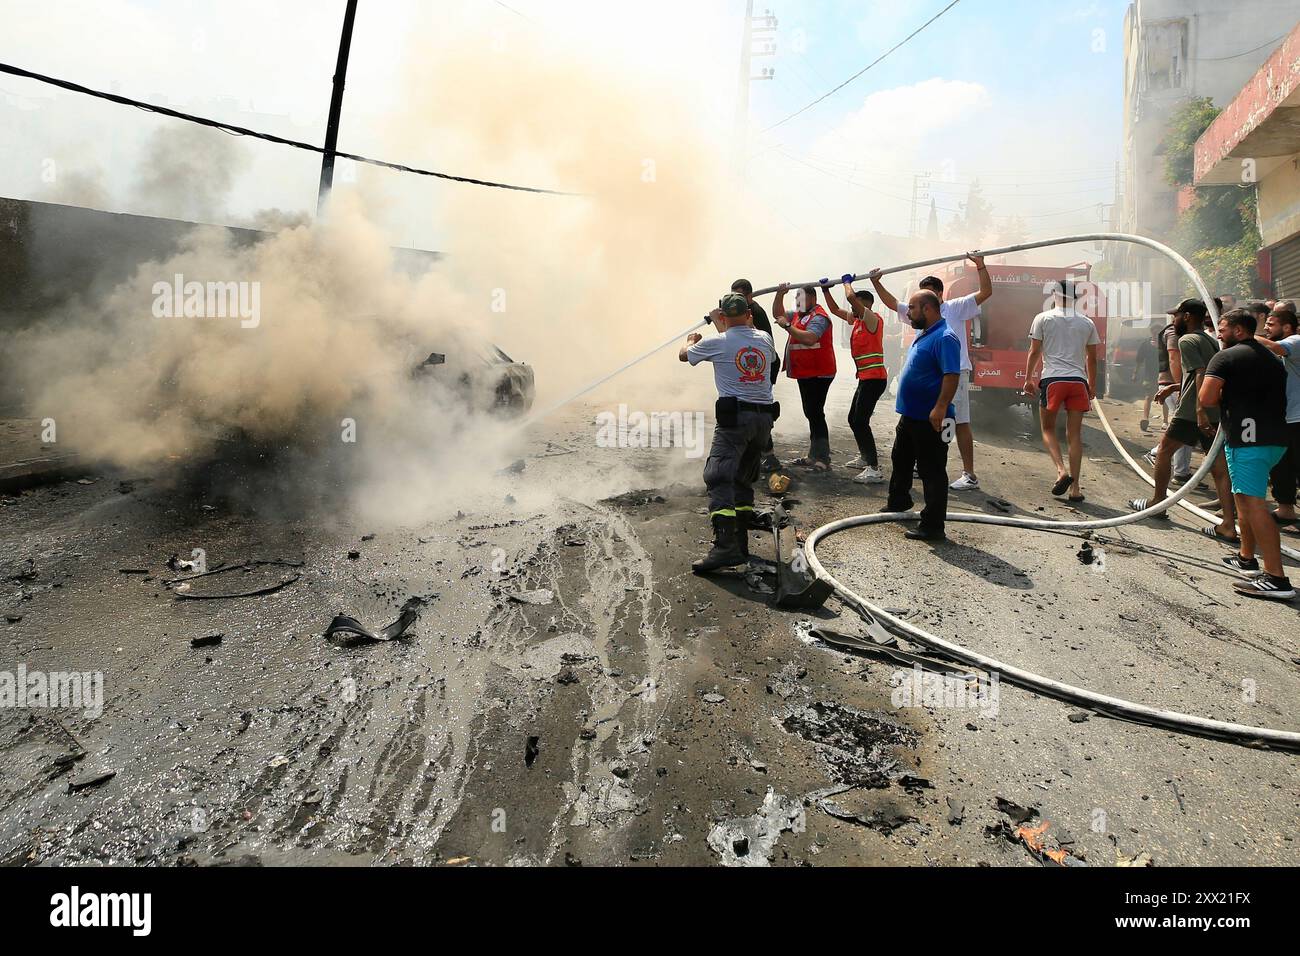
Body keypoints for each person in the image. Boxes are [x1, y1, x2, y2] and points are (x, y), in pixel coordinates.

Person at [869, 253, 992, 491]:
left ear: (938, 295)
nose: (921, 303)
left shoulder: (956, 308)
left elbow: (985, 293)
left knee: (959, 421)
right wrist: (876, 283)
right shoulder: (917, 313)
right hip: (927, 378)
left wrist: (981, 265)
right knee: (921, 422)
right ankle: (924, 464)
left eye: (929, 294)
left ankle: (968, 474)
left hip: (953, 373)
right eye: (920, 294)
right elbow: (893, 303)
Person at [1199, 309, 1295, 601]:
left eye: (1223, 328)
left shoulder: (1225, 357)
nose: (1218, 333)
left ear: (1239, 331)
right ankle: (1246, 558)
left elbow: (1206, 398)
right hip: (1275, 438)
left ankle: (1277, 578)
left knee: (1253, 505)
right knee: (1244, 497)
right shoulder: (1272, 358)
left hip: (1247, 441)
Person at [681, 293, 780, 574]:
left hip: (735, 420)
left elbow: (684, 356)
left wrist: (691, 341)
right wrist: (722, 323)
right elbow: (741, 342)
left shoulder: (717, 342)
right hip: (763, 422)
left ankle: (725, 548)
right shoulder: (764, 338)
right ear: (749, 314)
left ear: (723, 317)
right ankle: (741, 542)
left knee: (718, 475)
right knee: (742, 479)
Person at [1126, 300, 1238, 543]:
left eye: (1175, 316)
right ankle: (1229, 524)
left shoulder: (1186, 340)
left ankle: (1157, 503)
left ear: (1187, 316)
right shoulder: (1210, 340)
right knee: (1219, 468)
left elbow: (1200, 374)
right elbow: (1207, 374)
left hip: (1191, 412)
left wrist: (1199, 412)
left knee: (1164, 452)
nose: (1173, 320)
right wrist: (1176, 387)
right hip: (1214, 412)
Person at [883, 290, 961, 542]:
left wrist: (939, 408)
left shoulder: (946, 337)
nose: (908, 312)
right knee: (901, 458)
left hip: (934, 418)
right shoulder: (925, 333)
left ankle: (933, 525)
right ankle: (899, 502)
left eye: (913, 308)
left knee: (932, 470)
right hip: (911, 415)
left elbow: (952, 376)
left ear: (928, 309)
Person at [1023, 280, 1100, 503]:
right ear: (1075, 298)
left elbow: (1034, 351)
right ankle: (1075, 489)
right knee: (1074, 435)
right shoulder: (1087, 322)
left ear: (1055, 295)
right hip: (1078, 381)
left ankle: (1061, 471)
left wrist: (1028, 378)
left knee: (1047, 429)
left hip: (1053, 380)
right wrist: (1092, 385)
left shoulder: (1043, 318)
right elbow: (1092, 358)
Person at [822, 277, 887, 484]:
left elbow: (850, 296)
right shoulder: (858, 319)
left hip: (875, 380)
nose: (852, 307)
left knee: (860, 421)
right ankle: (865, 458)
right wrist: (825, 291)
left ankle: (874, 468)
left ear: (865, 304)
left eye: (856, 304)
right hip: (865, 379)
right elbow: (834, 310)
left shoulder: (872, 319)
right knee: (853, 419)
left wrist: (846, 282)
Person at [774, 283, 836, 472]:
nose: (798, 303)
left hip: (819, 372)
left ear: (813, 299)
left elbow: (809, 338)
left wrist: (786, 326)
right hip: (807, 372)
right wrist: (779, 295)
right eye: (796, 299)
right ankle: (813, 455)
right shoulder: (799, 315)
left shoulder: (819, 317)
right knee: (811, 412)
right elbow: (779, 315)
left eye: (802, 299)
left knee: (815, 413)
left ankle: (822, 458)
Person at [732, 279, 783, 473]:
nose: (735, 300)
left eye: (738, 295)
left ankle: (769, 456)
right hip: (760, 363)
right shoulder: (746, 310)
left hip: (764, 365)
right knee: (754, 407)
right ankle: (760, 452)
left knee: (758, 407)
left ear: (748, 295)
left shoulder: (754, 312)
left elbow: (745, 337)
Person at [1255, 308, 1300, 526]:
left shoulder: (1296, 340)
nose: (1265, 328)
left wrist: (1246, 334)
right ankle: (1285, 510)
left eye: (1271, 324)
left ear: (1287, 327)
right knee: (1282, 466)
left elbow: (1277, 348)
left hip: (1298, 419)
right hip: (1284, 418)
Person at [1144, 306, 1194, 483]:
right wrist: (1181, 386)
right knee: (1182, 426)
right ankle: (1171, 464)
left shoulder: (1178, 332)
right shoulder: (1173, 333)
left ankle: (1180, 470)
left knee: (1184, 426)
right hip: (1172, 384)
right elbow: (1174, 357)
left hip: (1174, 384)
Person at [1133, 325, 1161, 432]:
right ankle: (1145, 418)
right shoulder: (1145, 344)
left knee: (1165, 399)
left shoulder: (1165, 344)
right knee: (1148, 397)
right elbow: (1139, 360)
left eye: (1158, 333)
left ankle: (1166, 422)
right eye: (1154, 333)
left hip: (1163, 375)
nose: (1156, 335)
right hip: (1149, 375)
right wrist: (1135, 373)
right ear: (1151, 333)